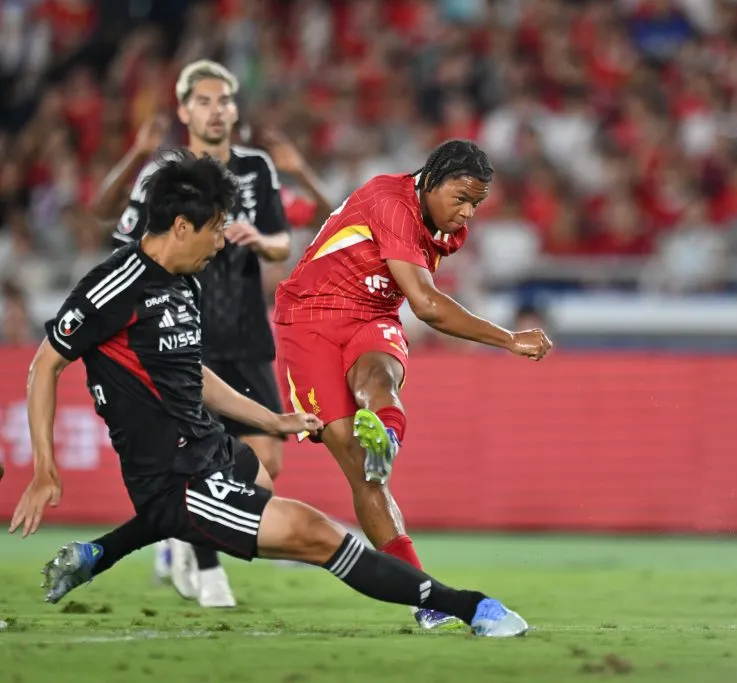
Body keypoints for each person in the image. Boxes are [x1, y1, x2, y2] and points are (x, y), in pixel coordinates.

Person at [7, 151, 528, 638]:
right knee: (318, 534)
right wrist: (46, 471)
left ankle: (99, 553)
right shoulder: (113, 288)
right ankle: (469, 606)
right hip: (177, 476)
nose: (220, 245)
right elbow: (45, 365)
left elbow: (195, 375)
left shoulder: (184, 283)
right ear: (182, 226)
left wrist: (272, 420)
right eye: (215, 231)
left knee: (260, 476)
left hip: (213, 450)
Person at [273, 139, 553, 630]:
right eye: (461, 198)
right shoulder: (389, 201)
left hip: (372, 314)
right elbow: (425, 304)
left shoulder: (447, 229)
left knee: (379, 376)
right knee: (359, 471)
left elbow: (411, 301)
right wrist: (508, 338)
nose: (466, 214)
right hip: (310, 317)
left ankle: (389, 437)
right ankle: (423, 593)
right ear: (430, 179)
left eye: (476, 204)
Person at [91, 59, 334, 608]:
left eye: (223, 100)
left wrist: (255, 238)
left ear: (235, 108)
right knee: (199, 454)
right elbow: (120, 233)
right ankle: (205, 563)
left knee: (266, 463)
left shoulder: (256, 168)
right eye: (203, 101)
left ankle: (179, 535)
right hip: (183, 334)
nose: (216, 110)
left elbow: (282, 242)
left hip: (246, 335)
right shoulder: (166, 173)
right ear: (184, 110)